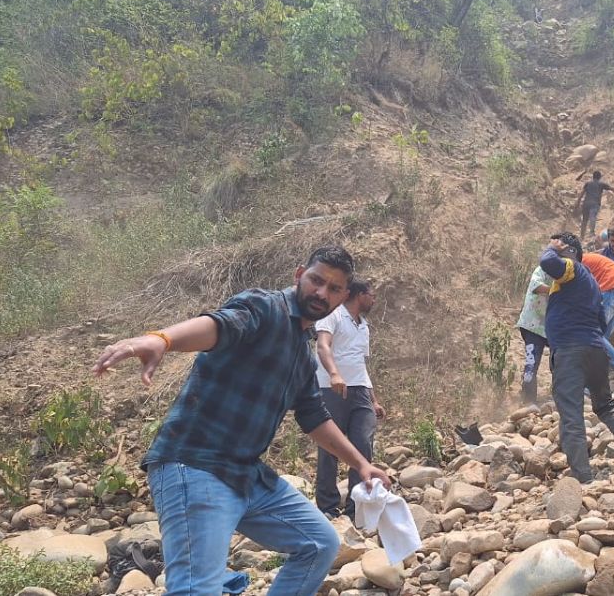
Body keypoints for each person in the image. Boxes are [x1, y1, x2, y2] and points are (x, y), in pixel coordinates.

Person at [90, 246, 391, 596]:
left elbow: (314, 418)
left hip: (245, 474)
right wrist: (162, 338)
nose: (322, 293)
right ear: (299, 276)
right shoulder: (265, 308)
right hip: (195, 464)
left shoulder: (304, 355)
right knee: (196, 589)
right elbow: (220, 325)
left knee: (320, 543)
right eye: (316, 281)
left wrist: (362, 464)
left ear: (342, 297)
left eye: (334, 288)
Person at [540, 232, 614, 482]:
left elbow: (548, 263)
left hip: (569, 350)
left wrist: (552, 248)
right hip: (594, 350)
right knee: (605, 404)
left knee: (571, 414)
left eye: (561, 249)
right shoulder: (591, 283)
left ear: (570, 252)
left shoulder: (571, 267)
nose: (556, 253)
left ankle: (583, 477)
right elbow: (600, 321)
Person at [314, 279, 386, 519]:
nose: (374, 300)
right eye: (371, 295)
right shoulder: (333, 315)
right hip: (331, 389)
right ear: (359, 294)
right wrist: (334, 374)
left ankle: (357, 507)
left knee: (363, 445)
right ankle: (328, 508)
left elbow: (359, 364)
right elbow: (323, 346)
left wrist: (373, 399)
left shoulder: (363, 325)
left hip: (359, 392)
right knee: (329, 448)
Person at [580, 251, 614, 380]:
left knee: (593, 332)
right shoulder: (587, 259)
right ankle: (603, 370)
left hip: (611, 289)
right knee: (600, 336)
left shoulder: (575, 264)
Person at [515, 265, 552, 403]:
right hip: (532, 326)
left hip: (552, 328)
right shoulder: (542, 269)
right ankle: (528, 401)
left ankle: (559, 394)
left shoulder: (568, 272)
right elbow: (536, 286)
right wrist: (557, 289)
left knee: (560, 361)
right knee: (531, 364)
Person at [576, 171, 614, 241]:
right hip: (595, 203)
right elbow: (611, 188)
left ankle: (582, 236)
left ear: (593, 176)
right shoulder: (601, 184)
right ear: (600, 177)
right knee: (593, 216)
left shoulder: (588, 183)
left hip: (586, 203)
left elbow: (581, 194)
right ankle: (591, 232)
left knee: (584, 220)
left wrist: (578, 202)